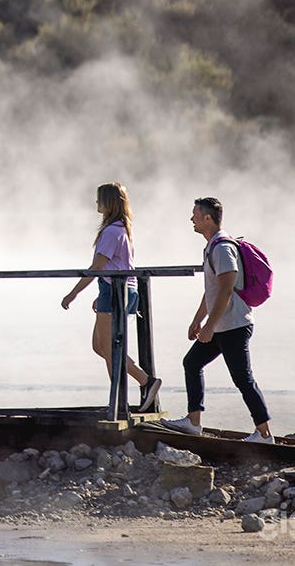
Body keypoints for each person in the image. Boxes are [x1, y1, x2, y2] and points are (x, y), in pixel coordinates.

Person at [160, 197, 274, 443]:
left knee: (243, 379)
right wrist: (197, 321)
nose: (192, 219)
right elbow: (212, 290)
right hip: (221, 325)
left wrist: (209, 326)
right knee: (191, 363)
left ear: (207, 218)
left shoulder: (222, 248)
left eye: (195, 215)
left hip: (233, 325)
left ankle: (264, 434)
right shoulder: (212, 246)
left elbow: (225, 288)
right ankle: (193, 422)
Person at [59, 182, 162, 412]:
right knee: (100, 346)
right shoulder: (121, 229)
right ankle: (124, 393)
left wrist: (73, 293)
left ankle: (141, 385)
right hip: (116, 289)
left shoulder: (112, 231)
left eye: (99, 199)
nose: (96, 203)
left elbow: (97, 267)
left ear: (109, 202)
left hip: (117, 291)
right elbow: (112, 266)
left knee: (109, 348)